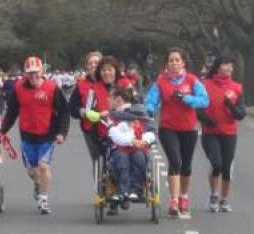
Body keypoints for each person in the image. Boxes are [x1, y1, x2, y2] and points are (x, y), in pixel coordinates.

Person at [1, 56, 70, 214]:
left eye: (36, 72)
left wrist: (62, 132)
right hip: (27, 136)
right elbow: (12, 112)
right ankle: (38, 183)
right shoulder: (18, 88)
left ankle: (43, 200)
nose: (33, 76)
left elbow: (64, 112)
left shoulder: (52, 88)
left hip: (47, 135)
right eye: (29, 73)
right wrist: (2, 130)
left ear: (42, 71)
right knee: (33, 172)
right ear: (25, 73)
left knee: (44, 167)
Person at [145, 48, 209, 218]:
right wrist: (150, 108)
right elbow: (151, 99)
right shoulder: (161, 82)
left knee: (186, 165)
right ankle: (173, 199)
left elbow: (204, 100)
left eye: (177, 60)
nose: (174, 63)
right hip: (168, 128)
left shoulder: (192, 80)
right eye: (171, 60)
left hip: (189, 128)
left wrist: (187, 99)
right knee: (175, 161)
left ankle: (184, 197)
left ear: (183, 62)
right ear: (166, 64)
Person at [198, 55, 246, 213]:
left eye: (231, 66)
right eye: (227, 65)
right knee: (216, 164)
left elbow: (241, 114)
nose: (230, 68)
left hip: (229, 133)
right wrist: (206, 119)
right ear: (218, 66)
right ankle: (213, 195)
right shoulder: (205, 84)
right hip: (210, 132)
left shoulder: (236, 88)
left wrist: (230, 105)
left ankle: (224, 200)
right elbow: (197, 108)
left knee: (226, 167)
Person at [105, 88, 156, 214]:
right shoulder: (113, 117)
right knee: (122, 160)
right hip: (120, 148)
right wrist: (131, 141)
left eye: (110, 98)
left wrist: (143, 141)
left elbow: (151, 132)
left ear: (118, 100)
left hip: (138, 148)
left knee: (139, 158)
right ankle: (123, 191)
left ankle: (136, 190)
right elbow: (114, 134)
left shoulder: (141, 114)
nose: (107, 101)